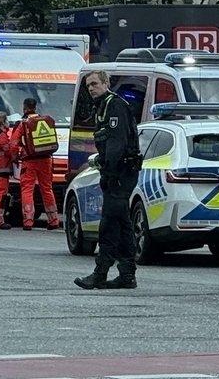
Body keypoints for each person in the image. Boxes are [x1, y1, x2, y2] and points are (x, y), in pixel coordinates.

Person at [75, 71, 141, 291]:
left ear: (105, 83)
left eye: (94, 83)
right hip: (115, 174)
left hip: (120, 174)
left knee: (108, 225)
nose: (91, 88)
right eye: (88, 85)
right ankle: (127, 274)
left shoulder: (115, 106)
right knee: (122, 225)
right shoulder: (102, 106)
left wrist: (110, 172)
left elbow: (117, 143)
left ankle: (100, 273)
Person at [9, 98, 60, 231]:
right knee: (47, 189)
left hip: (29, 161)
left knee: (27, 190)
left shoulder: (23, 124)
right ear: (35, 107)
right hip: (46, 160)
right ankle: (53, 220)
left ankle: (28, 221)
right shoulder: (44, 121)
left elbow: (13, 144)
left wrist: (14, 158)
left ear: (25, 108)